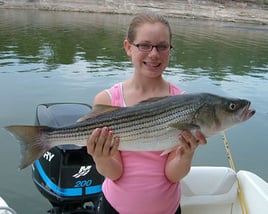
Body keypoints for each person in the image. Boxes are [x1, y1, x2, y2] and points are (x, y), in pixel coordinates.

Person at [86, 13, 207, 214]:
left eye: (162, 46)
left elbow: (172, 175)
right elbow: (114, 173)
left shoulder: (185, 102)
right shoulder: (106, 100)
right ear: (128, 47)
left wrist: (186, 155)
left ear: (170, 49)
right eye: (144, 45)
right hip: (114, 208)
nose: (154, 54)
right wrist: (100, 158)